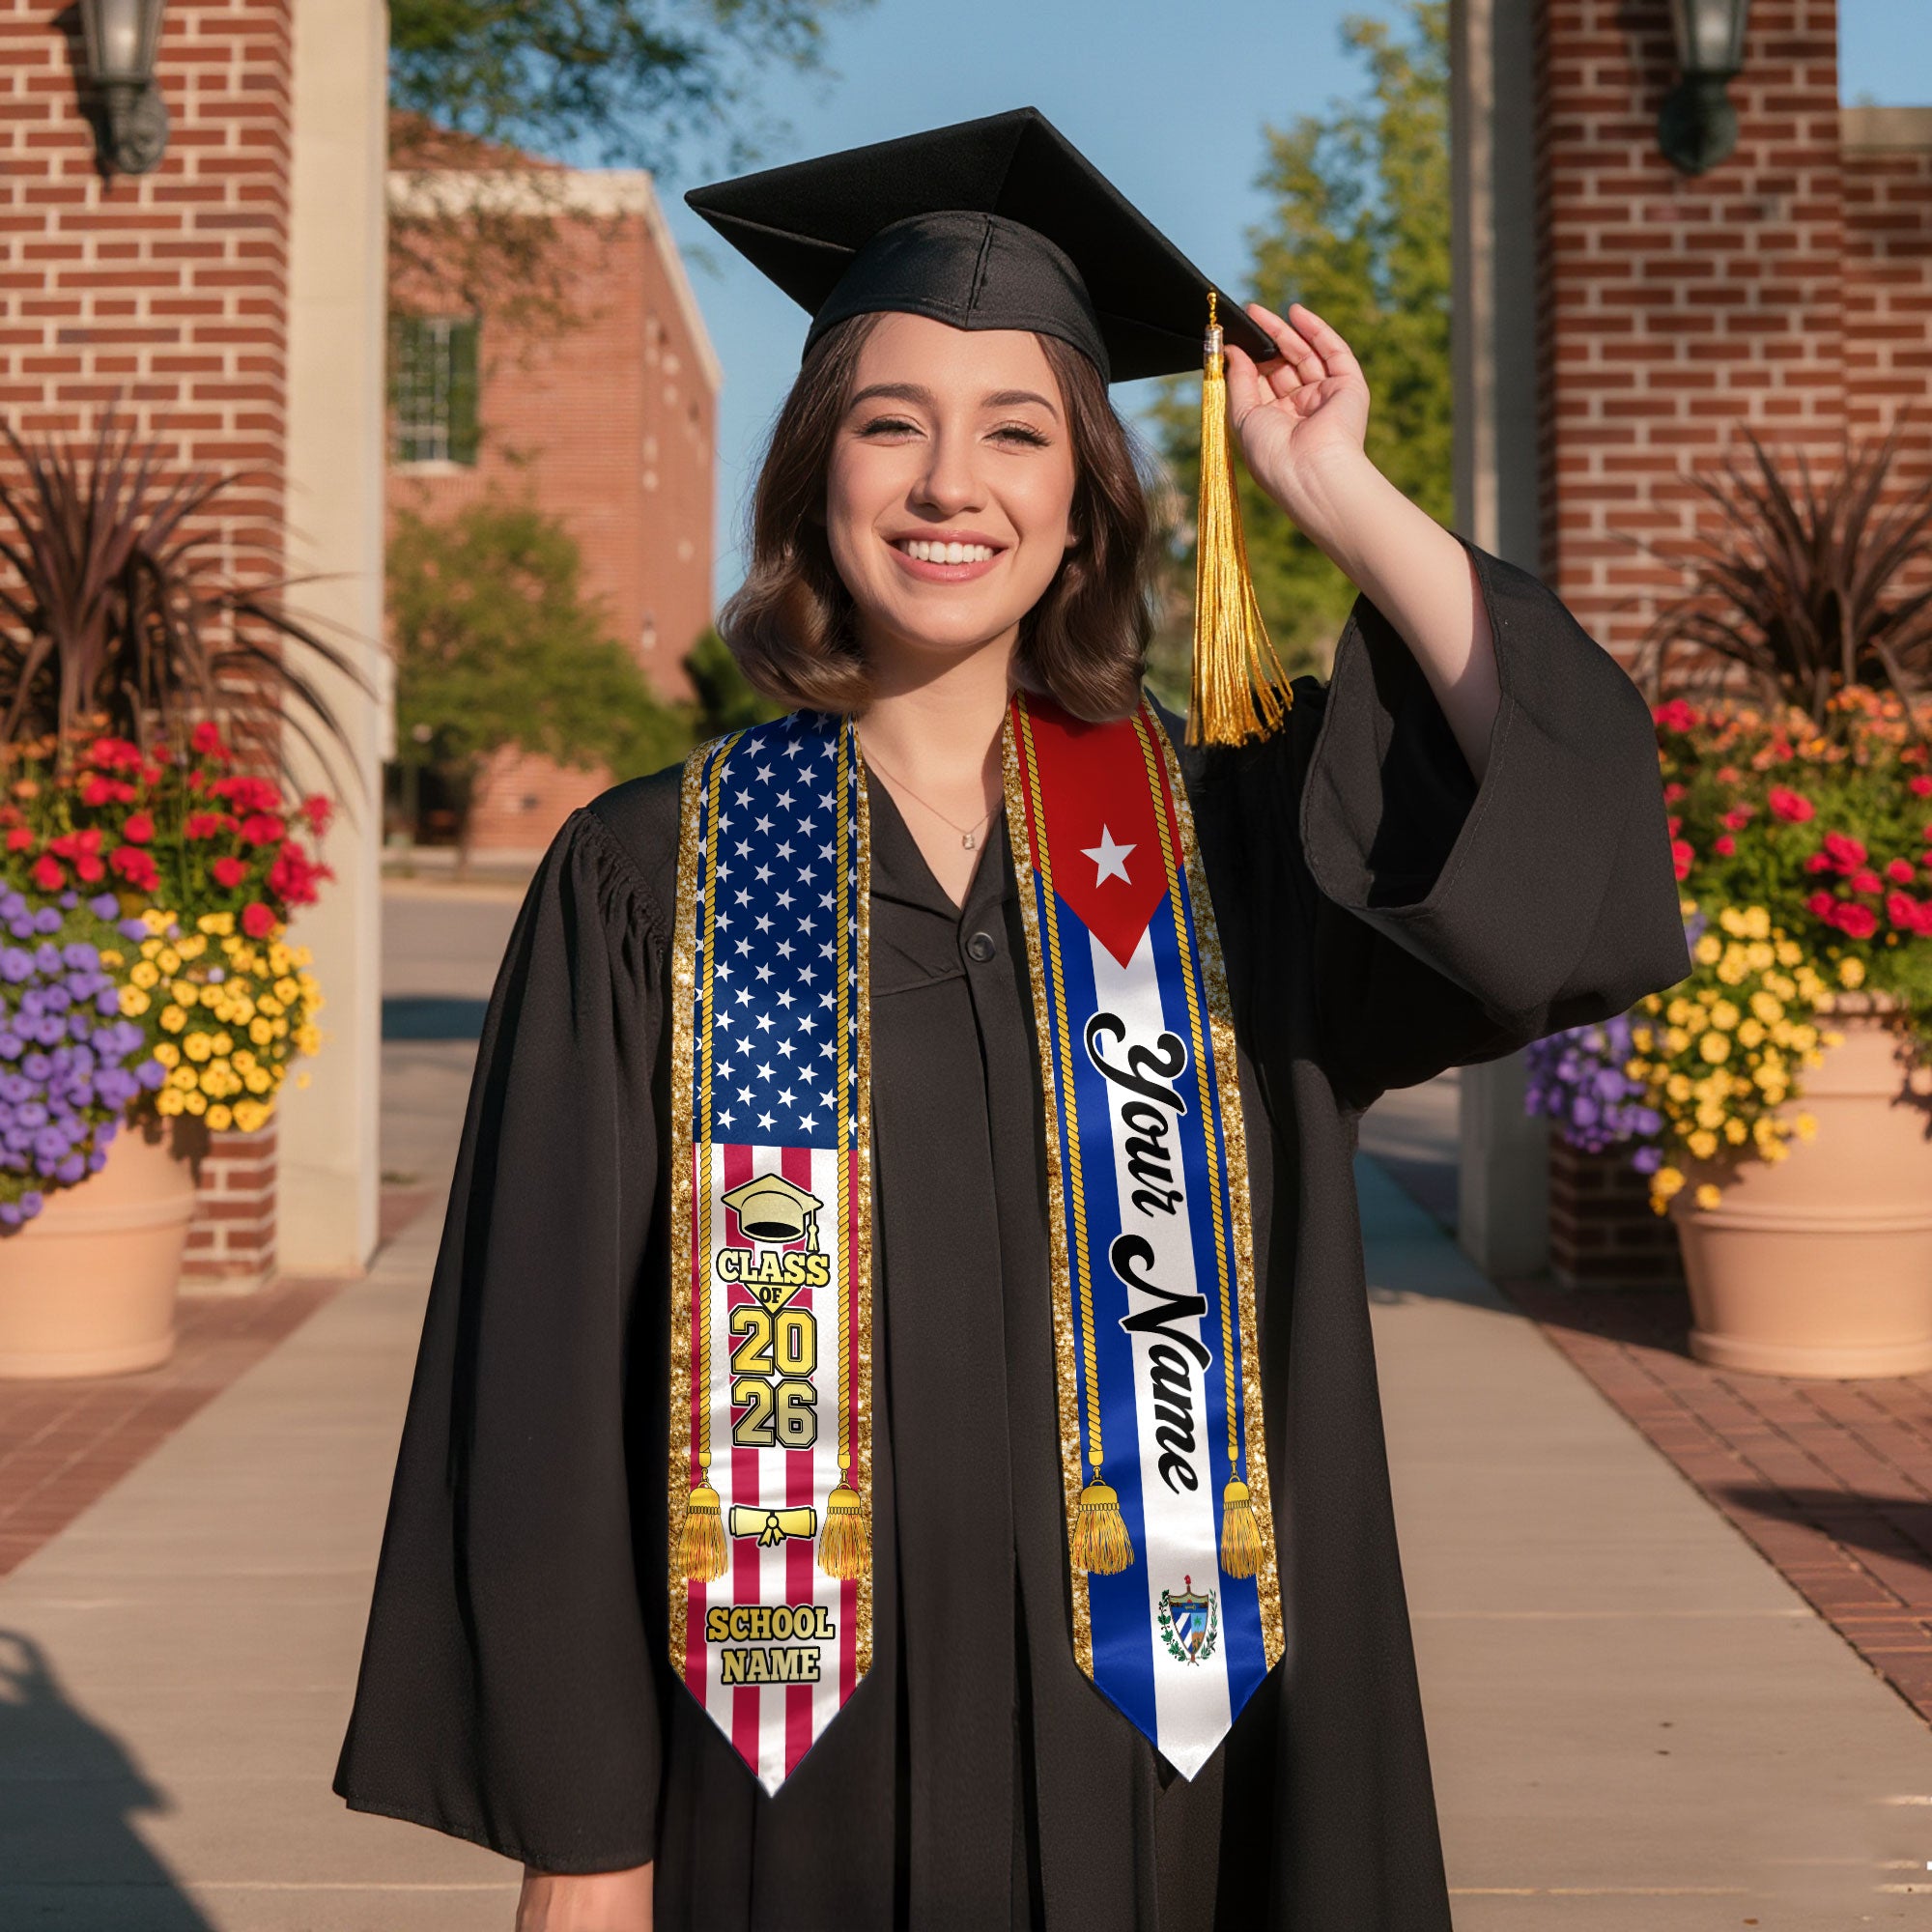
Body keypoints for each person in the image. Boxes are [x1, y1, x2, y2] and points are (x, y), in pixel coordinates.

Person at [333, 108, 1690, 1932]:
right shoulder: (651, 878)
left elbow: (1559, 827)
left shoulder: (1231, 846)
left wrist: (1336, 492)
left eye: (1016, 433)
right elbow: (549, 1389)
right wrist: (585, 1844)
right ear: (818, 472)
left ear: (1083, 504)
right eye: (892, 424)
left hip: (1185, 1776)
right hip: (782, 1779)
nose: (948, 483)